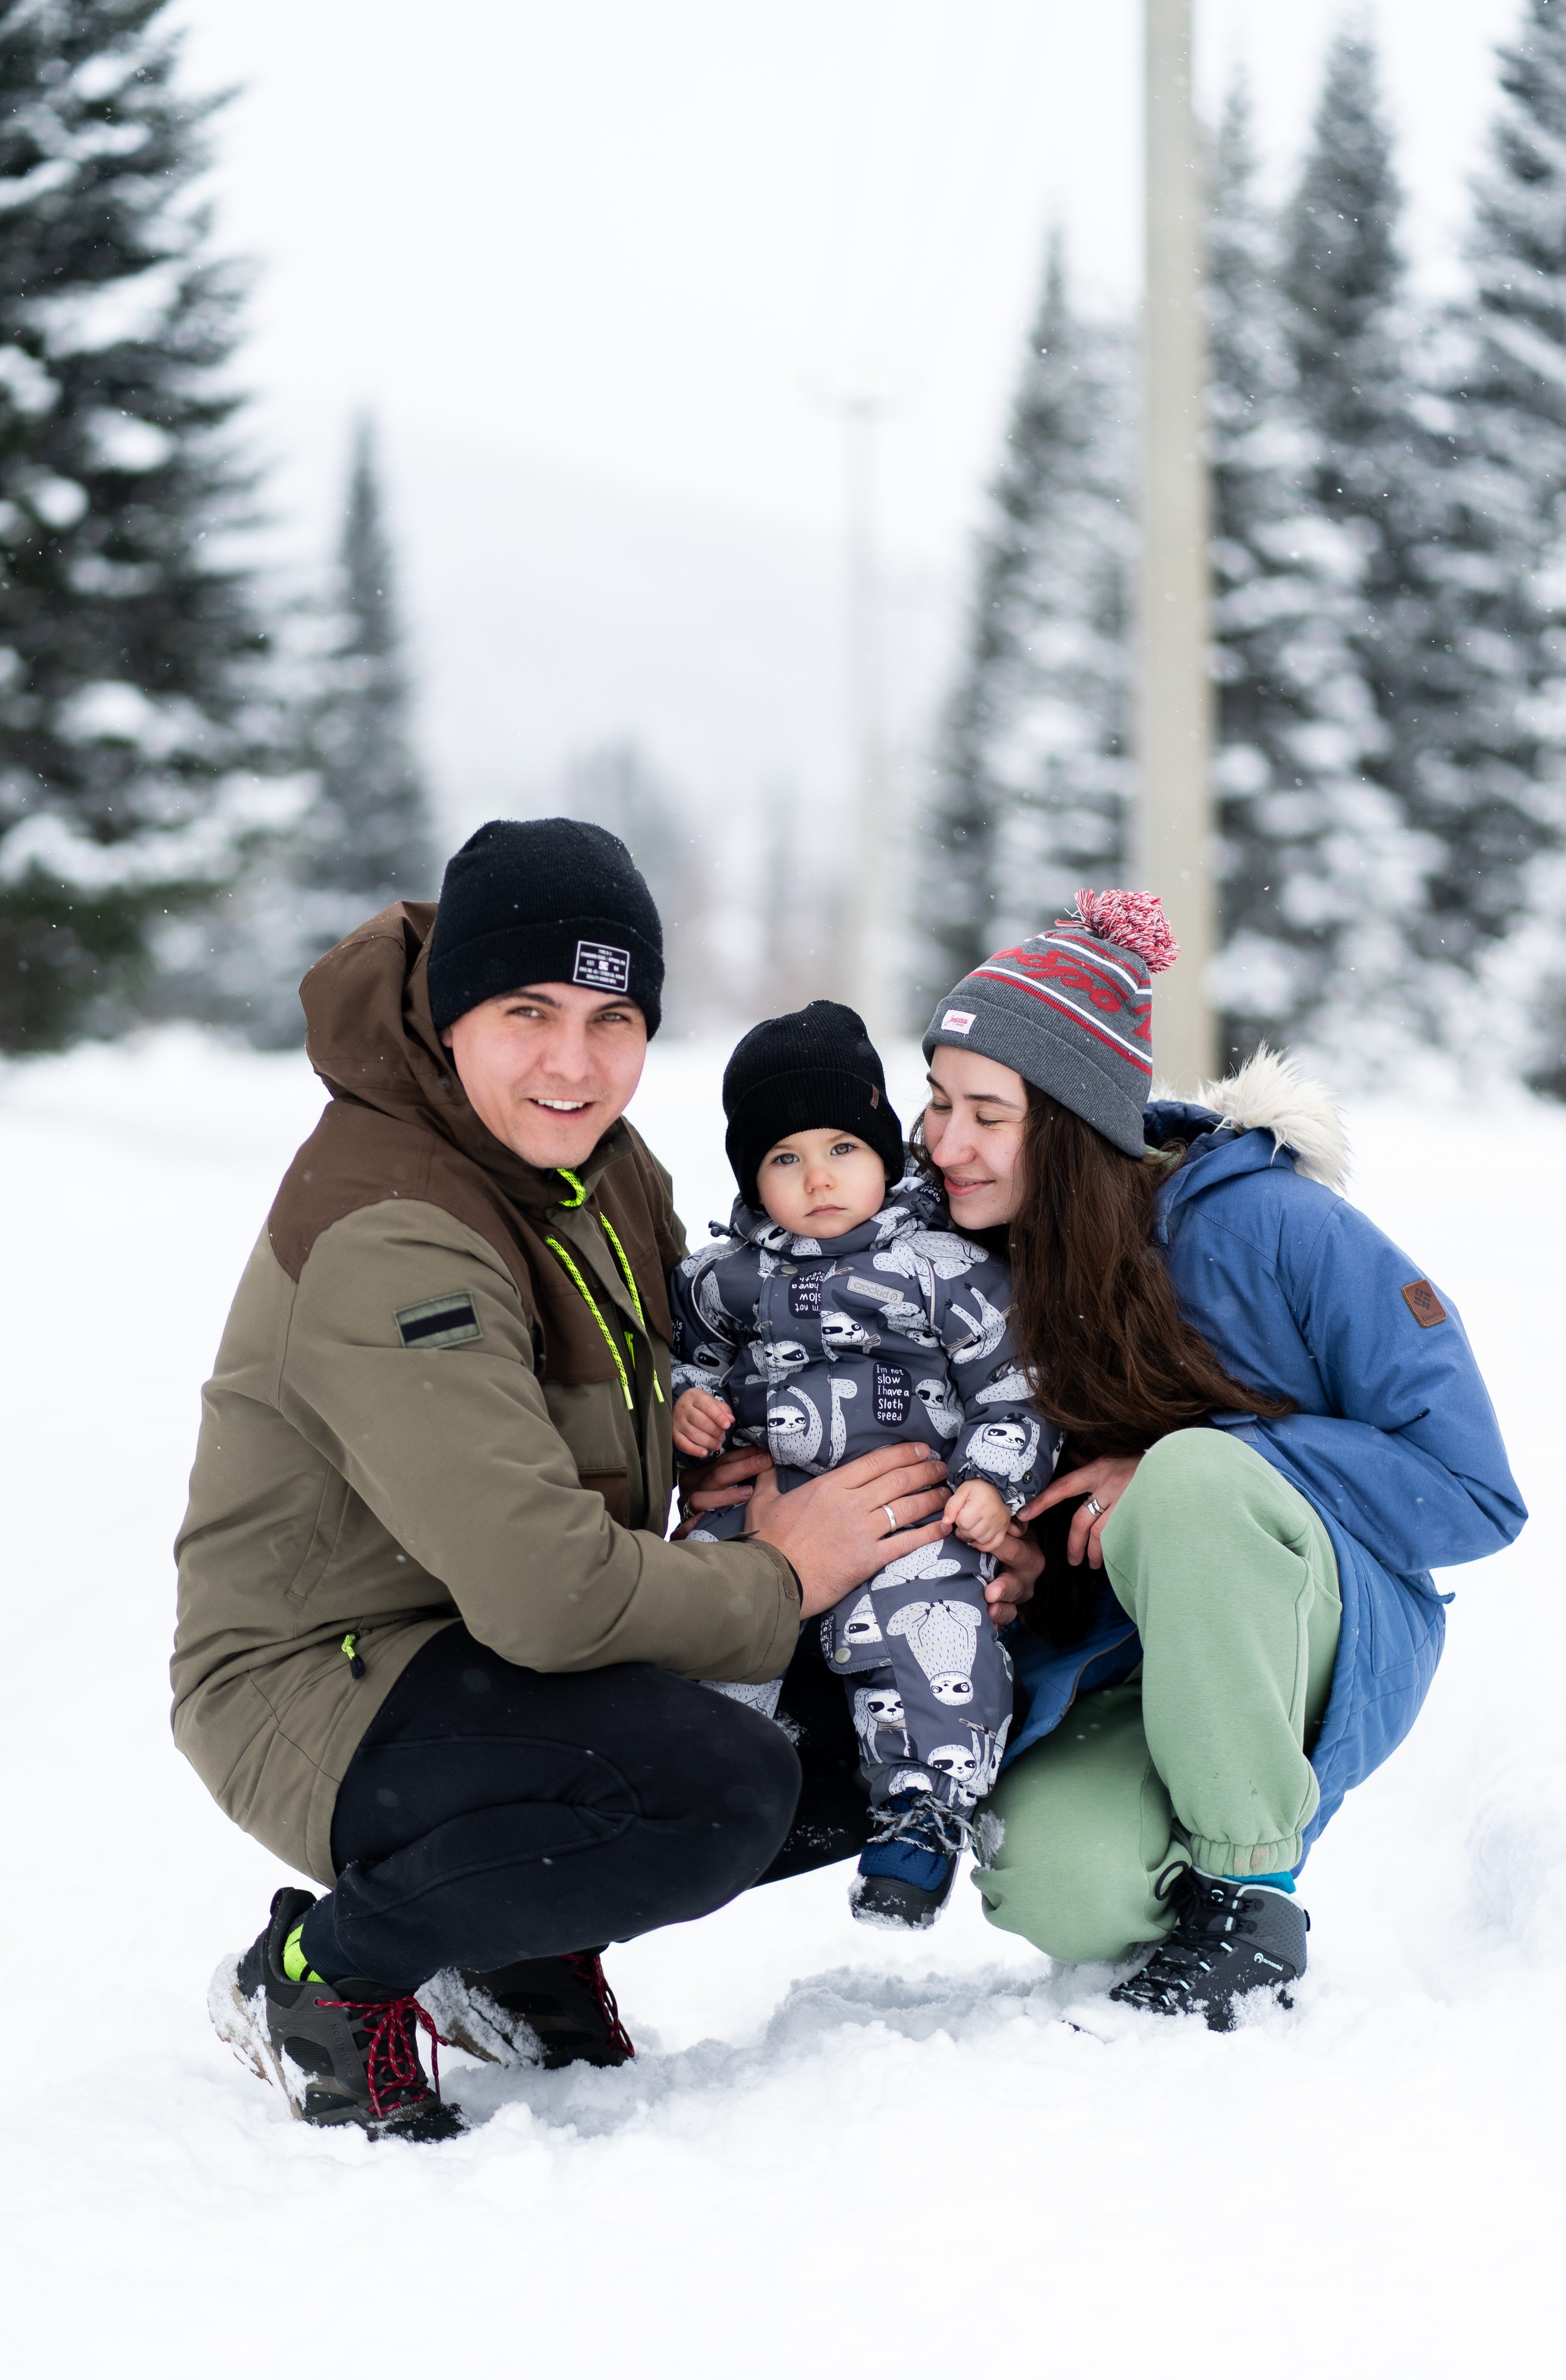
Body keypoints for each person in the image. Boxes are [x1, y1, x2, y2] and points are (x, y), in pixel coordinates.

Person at [172, 818, 972, 2139]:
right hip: (320, 1681)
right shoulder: (396, 1227)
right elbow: (544, 1594)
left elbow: (734, 1337)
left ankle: (510, 1941)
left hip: (480, 1647)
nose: (572, 1061)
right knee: (715, 1787)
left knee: (892, 1699)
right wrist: (783, 1570)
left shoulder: (590, 1167)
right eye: (526, 1010)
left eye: (613, 1018)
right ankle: (322, 1972)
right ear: (448, 1016)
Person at [913, 888, 1525, 2029]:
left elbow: (1475, 1496)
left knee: (1190, 1481)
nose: (949, 1143)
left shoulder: (1276, 1225)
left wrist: (1202, 1458)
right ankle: (1185, 1863)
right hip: (1131, 1647)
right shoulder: (966, 1260)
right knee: (1059, 1883)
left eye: (988, 1115)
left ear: (1074, 1119)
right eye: (938, 1103)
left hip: (1312, 1623)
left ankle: (1250, 1896)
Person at [668, 999, 1060, 1928]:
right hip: (762, 1510)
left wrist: (990, 1485)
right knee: (702, 1628)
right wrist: (683, 1408)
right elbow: (682, 1360)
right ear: (751, 1178)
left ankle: (922, 1816)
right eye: (784, 1160)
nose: (818, 1179)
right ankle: (690, 1778)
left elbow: (1014, 1388)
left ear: (886, 1150)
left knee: (930, 1628)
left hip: (908, 1507)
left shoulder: (942, 1266)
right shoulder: (721, 1279)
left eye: (842, 1147)